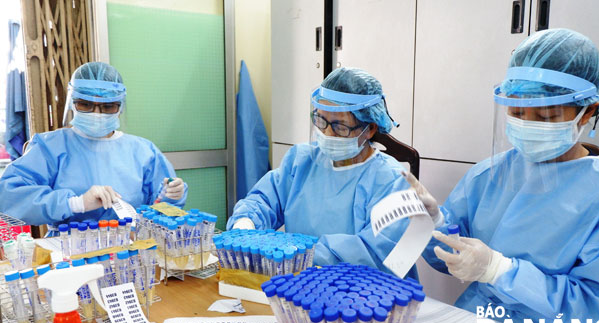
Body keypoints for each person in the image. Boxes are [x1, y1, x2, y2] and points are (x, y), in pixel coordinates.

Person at [408, 29, 599, 323]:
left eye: (546, 115)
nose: (527, 124)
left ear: (588, 110)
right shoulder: (489, 174)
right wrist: (433, 223)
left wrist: (500, 271)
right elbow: (448, 259)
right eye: (518, 113)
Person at [227, 67, 417, 279]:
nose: (327, 133)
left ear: (370, 129)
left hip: (362, 296)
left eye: (340, 126)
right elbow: (263, 201)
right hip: (300, 286)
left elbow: (375, 252)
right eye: (321, 120)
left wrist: (299, 255)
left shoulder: (391, 180)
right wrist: (246, 222)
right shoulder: (301, 161)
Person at [0, 62, 187, 228]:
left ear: (120, 107)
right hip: (70, 251)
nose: (96, 113)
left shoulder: (143, 151)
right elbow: (9, 196)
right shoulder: (50, 147)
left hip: (130, 247)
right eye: (85, 104)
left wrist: (171, 197)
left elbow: (159, 211)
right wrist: (76, 203)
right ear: (73, 103)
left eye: (107, 107)